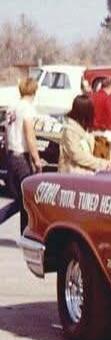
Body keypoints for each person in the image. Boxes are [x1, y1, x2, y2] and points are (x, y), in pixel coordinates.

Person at [0, 78, 44, 234]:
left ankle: (25, 232)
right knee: (27, 198)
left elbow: (6, 133)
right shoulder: (27, 108)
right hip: (21, 157)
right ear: (34, 91)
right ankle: (27, 233)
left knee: (22, 199)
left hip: (11, 154)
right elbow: (29, 134)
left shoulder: (12, 107)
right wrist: (36, 159)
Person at [59, 94, 111, 174]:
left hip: (85, 175)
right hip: (71, 177)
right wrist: (100, 163)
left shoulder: (84, 129)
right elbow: (77, 155)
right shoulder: (70, 131)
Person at [90, 77, 111, 160]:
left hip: (91, 132)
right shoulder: (108, 99)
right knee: (105, 161)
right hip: (104, 133)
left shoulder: (92, 96)